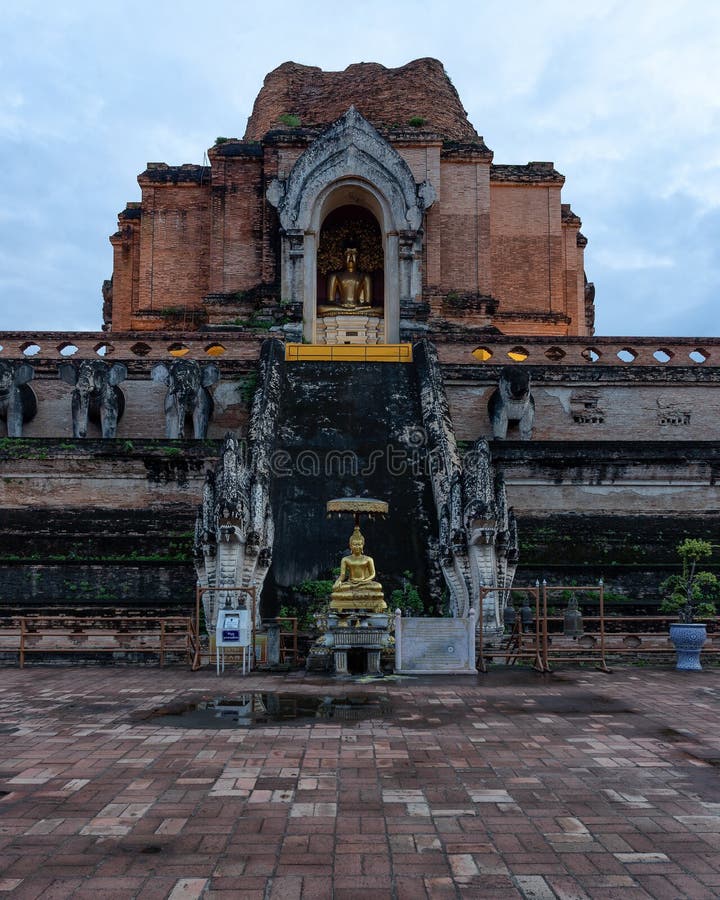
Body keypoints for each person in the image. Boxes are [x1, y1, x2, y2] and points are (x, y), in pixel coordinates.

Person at [330, 527, 386, 611]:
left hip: (364, 583)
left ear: (363, 545)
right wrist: (337, 582)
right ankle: (342, 606)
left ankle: (372, 605)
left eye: (359, 544)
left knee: (378, 587)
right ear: (350, 546)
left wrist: (364, 581)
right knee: (336, 590)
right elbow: (342, 576)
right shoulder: (345, 559)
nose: (357, 547)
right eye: (355, 544)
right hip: (351, 584)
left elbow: (373, 574)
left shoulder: (368, 559)